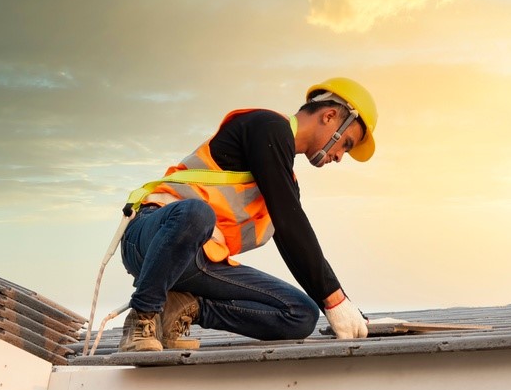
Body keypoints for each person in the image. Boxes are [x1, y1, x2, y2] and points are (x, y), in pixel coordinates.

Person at [116, 78, 377, 351]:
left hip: (199, 262)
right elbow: (291, 223)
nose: (340, 157)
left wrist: (342, 307)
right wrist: (335, 300)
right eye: (346, 144)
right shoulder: (266, 127)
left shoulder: (283, 178)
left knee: (301, 314)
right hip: (150, 239)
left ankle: (182, 307)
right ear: (330, 116)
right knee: (197, 214)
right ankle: (142, 317)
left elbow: (294, 245)